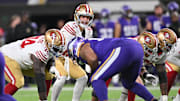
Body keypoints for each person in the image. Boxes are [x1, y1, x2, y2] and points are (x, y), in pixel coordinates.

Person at [67, 31, 160, 101]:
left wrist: (93, 75)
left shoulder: (80, 47)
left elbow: (92, 59)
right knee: (129, 83)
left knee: (96, 78)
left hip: (123, 48)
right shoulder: (91, 43)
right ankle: (152, 100)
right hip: (136, 48)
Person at [1, 29, 64, 101]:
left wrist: (52, 67)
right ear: (48, 43)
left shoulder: (46, 42)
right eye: (56, 48)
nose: (59, 50)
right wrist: (43, 98)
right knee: (18, 82)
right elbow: (39, 76)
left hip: (20, 60)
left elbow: (50, 56)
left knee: (48, 75)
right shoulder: (39, 50)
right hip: (7, 56)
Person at [50, 4, 93, 101]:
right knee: (62, 78)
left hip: (69, 59)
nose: (85, 20)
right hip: (58, 56)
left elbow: (85, 49)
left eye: (87, 18)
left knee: (83, 78)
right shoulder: (70, 26)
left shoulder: (89, 31)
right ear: (77, 16)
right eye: (83, 17)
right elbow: (66, 48)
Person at [121, 28, 177, 101]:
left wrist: (164, 97)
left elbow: (162, 74)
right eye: (169, 45)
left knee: (133, 81)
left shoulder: (161, 51)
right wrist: (144, 74)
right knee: (136, 81)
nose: (170, 48)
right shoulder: (146, 44)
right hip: (124, 53)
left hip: (135, 61)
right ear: (161, 42)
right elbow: (136, 62)